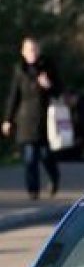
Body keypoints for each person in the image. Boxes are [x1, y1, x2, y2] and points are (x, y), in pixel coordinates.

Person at [2, 36, 62, 200]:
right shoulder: (20, 70)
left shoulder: (48, 67)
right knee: (30, 158)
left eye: (34, 49)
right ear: (23, 52)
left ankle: (54, 178)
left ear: (39, 50)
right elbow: (14, 96)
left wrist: (48, 85)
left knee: (46, 155)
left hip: (45, 120)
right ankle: (33, 191)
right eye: (29, 50)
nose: (32, 53)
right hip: (26, 120)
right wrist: (8, 119)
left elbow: (59, 91)